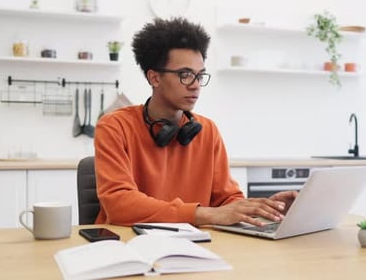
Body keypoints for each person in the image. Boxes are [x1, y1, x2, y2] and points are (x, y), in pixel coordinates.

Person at [94, 17, 297, 227]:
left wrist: (263, 209)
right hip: (128, 246)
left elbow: (227, 201)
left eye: (199, 76)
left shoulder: (207, 131)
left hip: (194, 247)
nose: (195, 85)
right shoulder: (114, 127)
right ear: (154, 78)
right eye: (185, 74)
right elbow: (119, 205)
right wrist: (202, 214)